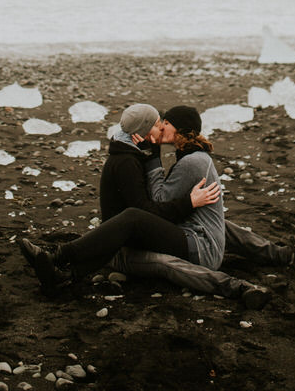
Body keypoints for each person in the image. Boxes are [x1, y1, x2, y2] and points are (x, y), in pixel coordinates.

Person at [19, 103, 273, 308]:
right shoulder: (136, 161)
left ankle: (60, 263)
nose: (161, 128)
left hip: (163, 243)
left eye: (165, 123)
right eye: (157, 124)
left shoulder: (165, 159)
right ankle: (259, 270)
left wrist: (156, 162)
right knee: (166, 250)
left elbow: (154, 207)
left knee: (158, 233)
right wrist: (188, 201)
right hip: (142, 246)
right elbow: (154, 208)